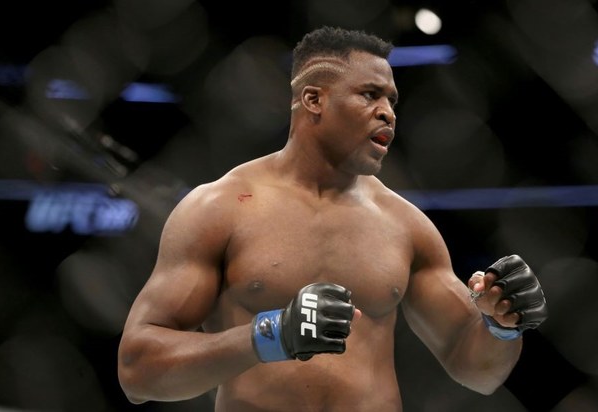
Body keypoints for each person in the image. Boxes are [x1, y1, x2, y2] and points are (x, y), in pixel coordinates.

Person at [117, 26, 548, 411]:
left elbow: (477, 371)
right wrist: (273, 334)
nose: (388, 113)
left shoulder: (405, 225)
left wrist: (501, 325)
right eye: (370, 94)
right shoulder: (222, 207)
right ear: (313, 100)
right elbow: (137, 370)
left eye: (392, 100)